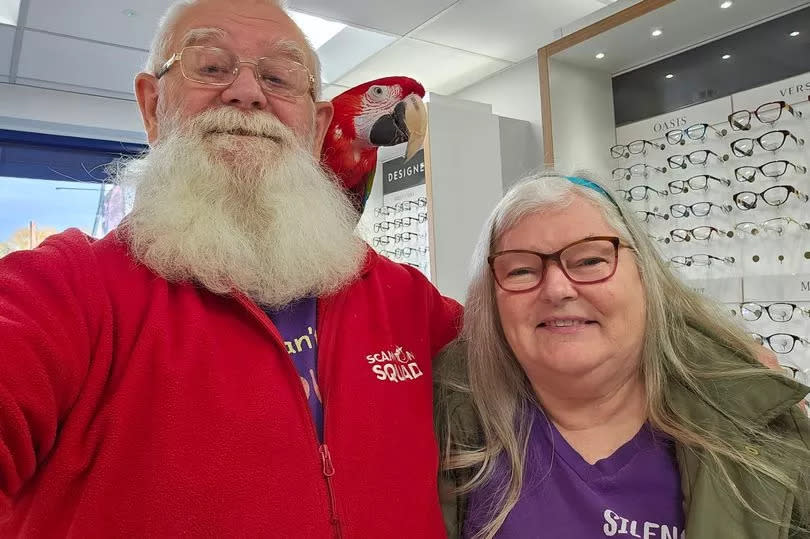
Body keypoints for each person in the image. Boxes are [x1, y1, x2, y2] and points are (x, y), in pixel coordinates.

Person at [0, 0, 460, 536]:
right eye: (212, 67)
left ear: (316, 127)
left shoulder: (401, 296)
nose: (247, 92)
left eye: (280, 77)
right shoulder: (65, 292)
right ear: (152, 108)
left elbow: (527, 348)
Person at [435, 174, 810, 539]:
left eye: (590, 261)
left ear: (646, 277)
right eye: (520, 269)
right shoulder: (448, 425)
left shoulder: (765, 432)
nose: (557, 289)